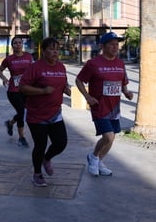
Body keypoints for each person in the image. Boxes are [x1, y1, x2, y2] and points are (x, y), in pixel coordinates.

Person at [75, 32, 133, 177]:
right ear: (103, 46)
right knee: (109, 136)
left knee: (111, 137)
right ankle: (94, 157)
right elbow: (79, 80)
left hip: (114, 108)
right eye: (111, 44)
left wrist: (126, 92)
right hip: (99, 107)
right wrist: (87, 97)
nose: (115, 47)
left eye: (117, 44)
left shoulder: (120, 63)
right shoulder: (93, 63)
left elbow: (123, 81)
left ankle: (99, 161)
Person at [19, 37, 71, 187]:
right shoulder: (35, 67)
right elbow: (23, 87)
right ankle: (37, 174)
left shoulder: (61, 67)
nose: (55, 52)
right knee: (40, 145)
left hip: (55, 113)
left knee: (61, 143)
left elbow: (63, 82)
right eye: (52, 48)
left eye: (57, 49)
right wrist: (42, 91)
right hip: (36, 114)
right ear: (44, 51)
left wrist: (66, 89)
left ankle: (47, 159)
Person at [0, 36, 33, 147]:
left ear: (22, 45)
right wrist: (4, 78)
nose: (18, 44)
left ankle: (10, 123)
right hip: (14, 90)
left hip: (27, 89)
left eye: (19, 42)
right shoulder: (9, 59)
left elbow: (34, 71)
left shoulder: (29, 56)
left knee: (24, 112)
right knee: (22, 112)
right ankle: (21, 138)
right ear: (12, 46)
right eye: (15, 43)